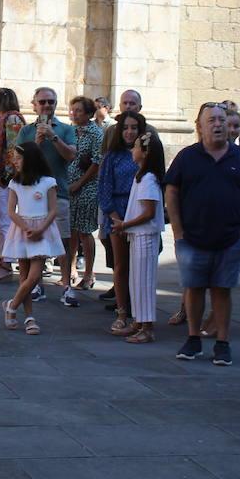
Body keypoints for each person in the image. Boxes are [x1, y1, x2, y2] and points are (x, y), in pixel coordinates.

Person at [165, 102, 240, 367]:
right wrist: (177, 229)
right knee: (194, 288)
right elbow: (172, 191)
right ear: (200, 126)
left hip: (231, 238)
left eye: (221, 119)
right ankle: (193, 337)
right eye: (211, 120)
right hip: (192, 238)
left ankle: (222, 342)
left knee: (222, 290)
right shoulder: (187, 156)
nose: (218, 124)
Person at [14, 88, 77, 302]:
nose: (47, 105)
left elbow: (70, 156)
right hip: (31, 194)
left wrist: (54, 137)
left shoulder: (66, 130)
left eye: (51, 101)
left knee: (63, 241)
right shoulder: (26, 131)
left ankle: (67, 286)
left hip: (58, 191)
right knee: (33, 241)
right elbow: (18, 162)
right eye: (42, 102)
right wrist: (38, 143)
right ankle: (36, 284)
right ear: (35, 104)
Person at [1, 143, 63, 336]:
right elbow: (11, 211)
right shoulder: (15, 183)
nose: (15, 162)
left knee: (35, 276)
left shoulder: (48, 182)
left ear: (30, 159)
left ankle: (11, 305)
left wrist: (40, 229)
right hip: (23, 230)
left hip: (42, 230)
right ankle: (29, 317)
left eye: (19, 158)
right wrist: (27, 227)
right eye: (15, 158)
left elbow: (53, 210)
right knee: (24, 276)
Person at [119, 128, 167, 343]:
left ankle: (147, 327)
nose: (133, 149)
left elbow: (148, 212)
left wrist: (124, 224)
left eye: (137, 146)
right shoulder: (142, 177)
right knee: (136, 280)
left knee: (144, 281)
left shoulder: (148, 179)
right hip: (138, 235)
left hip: (145, 236)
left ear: (145, 153)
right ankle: (139, 321)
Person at [102, 112, 145, 327]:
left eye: (134, 127)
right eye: (126, 127)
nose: (129, 132)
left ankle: (140, 311)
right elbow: (105, 188)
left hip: (141, 212)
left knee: (140, 265)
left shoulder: (147, 155)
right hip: (118, 212)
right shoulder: (113, 156)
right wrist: (115, 216)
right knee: (120, 265)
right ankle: (121, 311)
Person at [0, 88, 26, 282]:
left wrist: (7, 176)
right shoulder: (3, 118)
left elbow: (14, 150)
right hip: (3, 176)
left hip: (7, 177)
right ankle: (4, 260)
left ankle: (7, 262)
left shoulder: (12, 119)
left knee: (6, 220)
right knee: (2, 220)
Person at [67, 96, 102, 292]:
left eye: (79, 110)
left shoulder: (96, 133)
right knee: (71, 229)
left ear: (89, 113)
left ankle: (89, 273)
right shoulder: (70, 131)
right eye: (73, 110)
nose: (75, 113)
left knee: (85, 231)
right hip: (69, 185)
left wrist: (80, 182)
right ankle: (71, 270)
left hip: (87, 187)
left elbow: (97, 161)